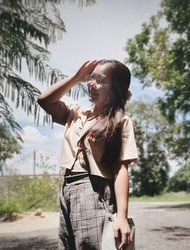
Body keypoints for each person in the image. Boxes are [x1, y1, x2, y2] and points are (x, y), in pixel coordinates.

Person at [37, 60, 138, 250]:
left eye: (100, 80)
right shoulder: (75, 113)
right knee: (69, 245)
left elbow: (121, 168)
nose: (92, 83)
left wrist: (122, 217)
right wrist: (76, 78)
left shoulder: (121, 121)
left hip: (94, 190)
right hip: (68, 187)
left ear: (115, 89)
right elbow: (44, 100)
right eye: (91, 78)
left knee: (92, 246)